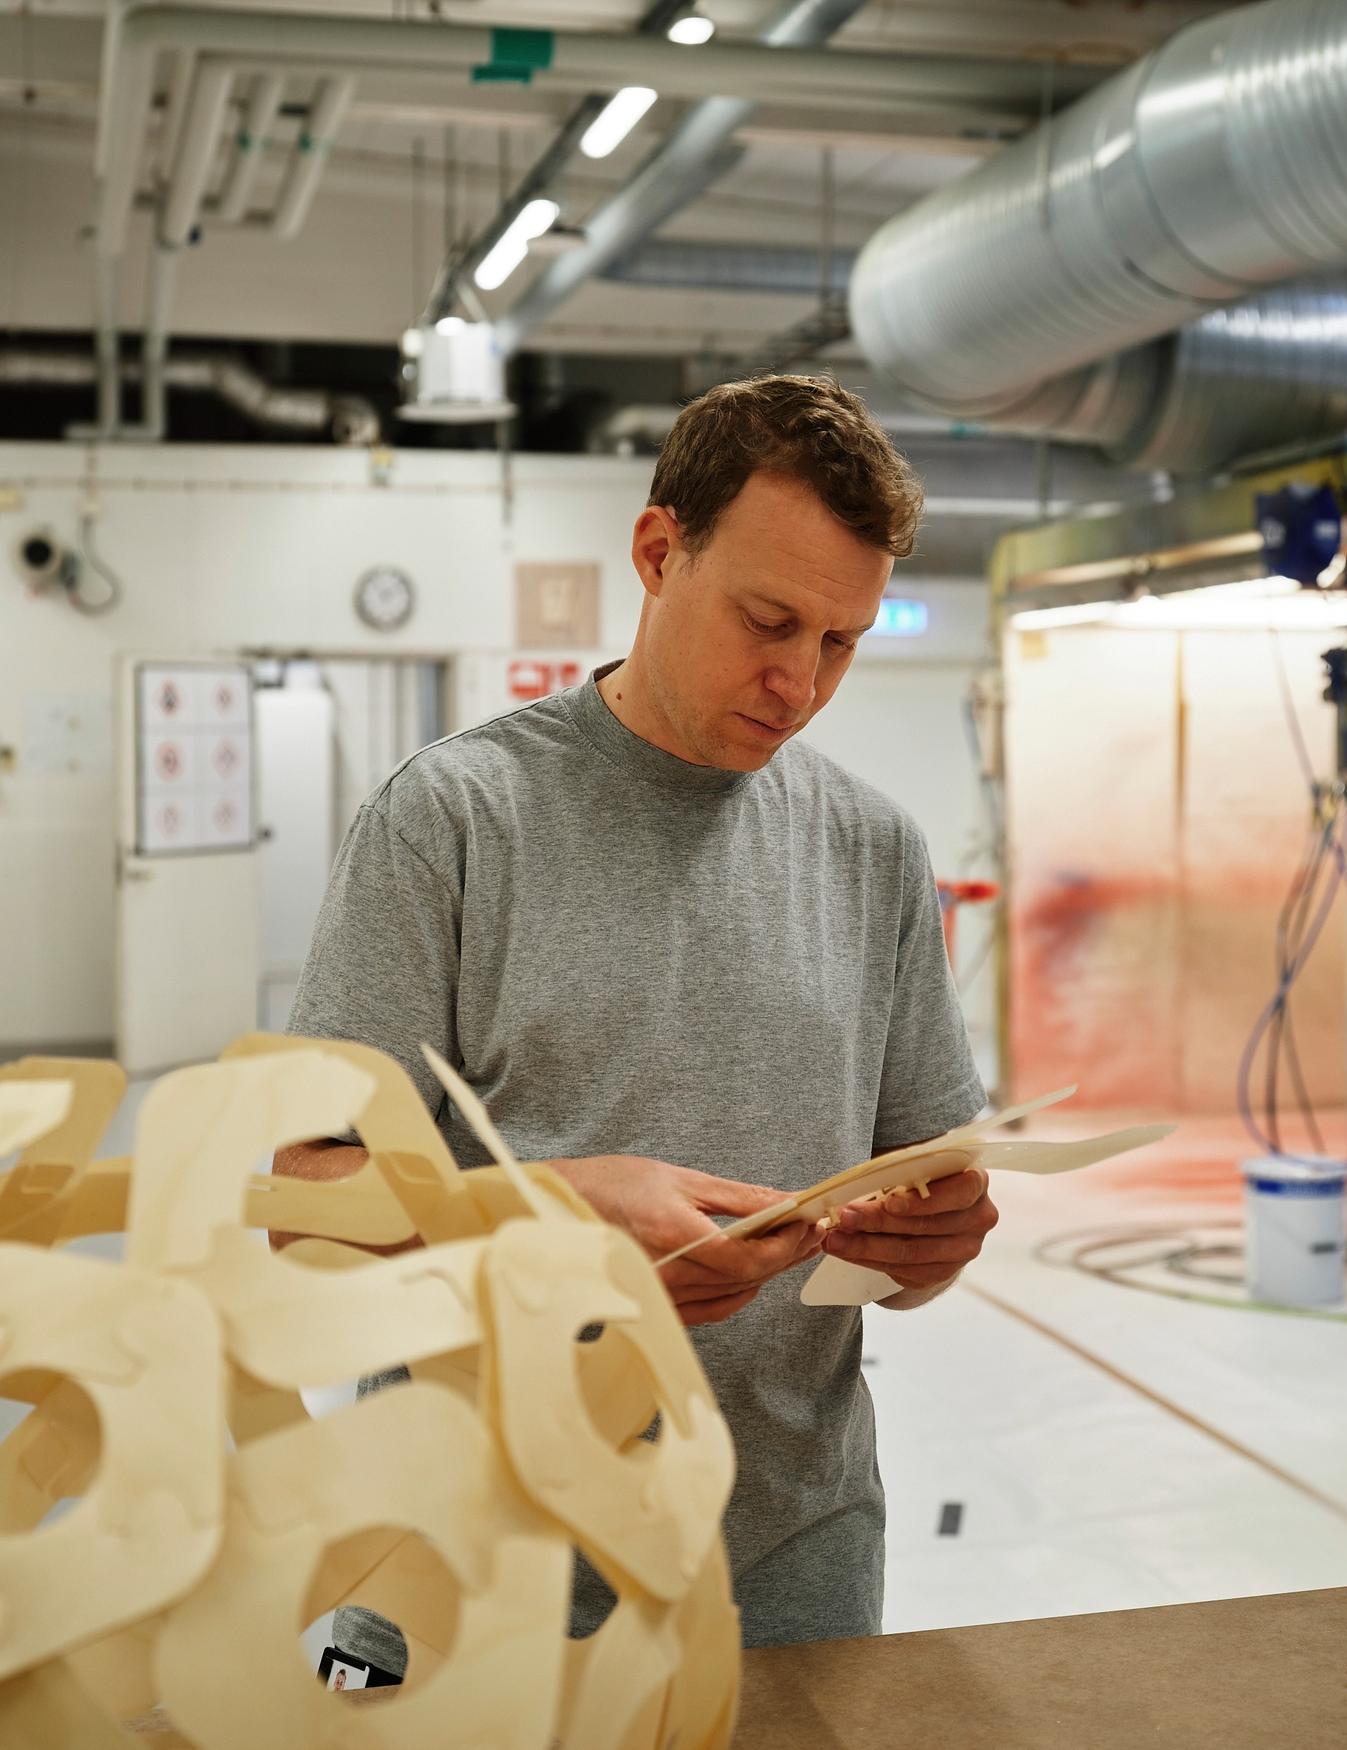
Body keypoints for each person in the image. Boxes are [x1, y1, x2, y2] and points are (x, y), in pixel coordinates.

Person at [274, 373, 998, 1654]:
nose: (797, 682)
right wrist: (560, 1208)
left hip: (784, 1563)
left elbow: (918, 1206)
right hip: (469, 1568)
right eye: (767, 620)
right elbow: (306, 1207)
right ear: (659, 551)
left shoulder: (872, 850)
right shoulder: (452, 819)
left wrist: (931, 1249)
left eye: (839, 643)